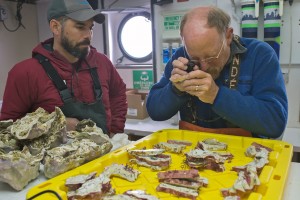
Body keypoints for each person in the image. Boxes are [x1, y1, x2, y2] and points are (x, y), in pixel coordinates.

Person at [146, 6, 288, 138]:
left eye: (210, 56)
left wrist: (216, 96)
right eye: (195, 58)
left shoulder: (260, 54)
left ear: (228, 36)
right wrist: (175, 90)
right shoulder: (181, 56)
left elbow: (275, 123)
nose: (204, 66)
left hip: (245, 156)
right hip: (192, 153)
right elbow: (155, 111)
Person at [0, 0, 127, 136]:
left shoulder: (103, 63)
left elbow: (118, 95)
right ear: (55, 27)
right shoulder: (25, 73)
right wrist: (53, 124)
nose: (88, 35)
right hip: (52, 157)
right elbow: (8, 127)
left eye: (91, 28)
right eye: (80, 27)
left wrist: (115, 132)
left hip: (104, 155)